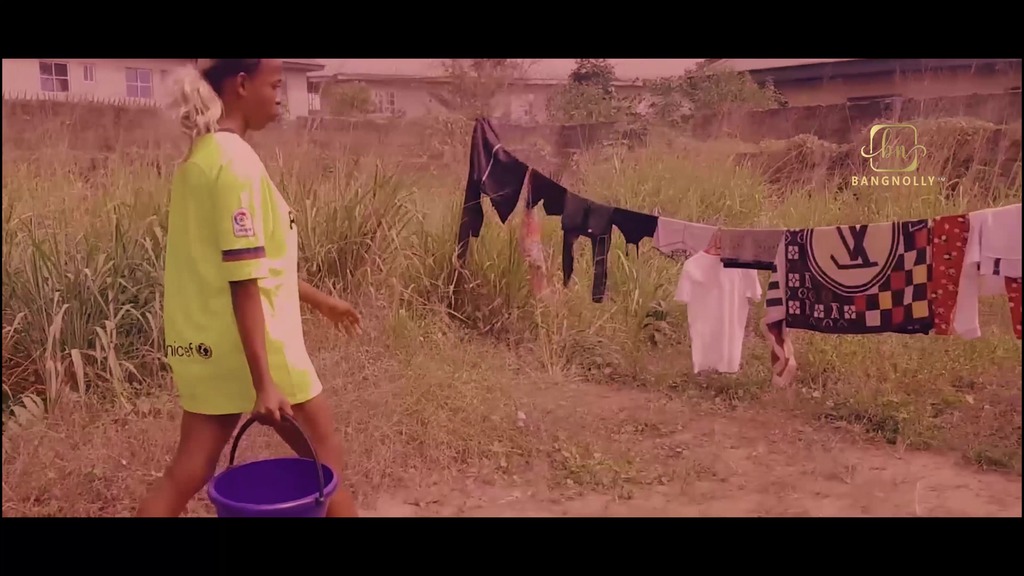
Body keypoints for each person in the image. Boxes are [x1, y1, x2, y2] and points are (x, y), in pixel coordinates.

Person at [136, 59, 362, 517]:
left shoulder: (199, 158)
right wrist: (264, 382)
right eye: (275, 85)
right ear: (241, 85)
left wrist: (322, 302)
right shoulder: (237, 163)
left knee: (186, 472)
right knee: (326, 465)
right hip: (264, 348)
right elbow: (243, 281)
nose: (281, 96)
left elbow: (253, 267)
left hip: (209, 347)